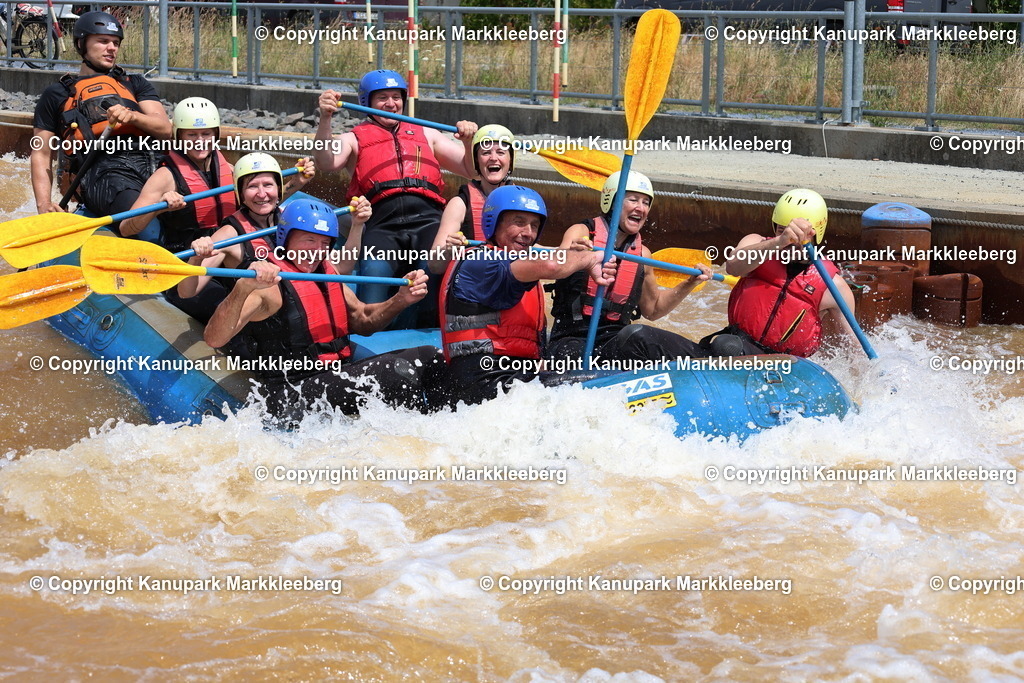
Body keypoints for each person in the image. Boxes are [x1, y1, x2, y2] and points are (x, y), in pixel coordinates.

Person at [203, 198, 442, 423]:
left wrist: (401, 299)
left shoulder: (326, 271)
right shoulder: (267, 287)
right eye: (309, 240)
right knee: (405, 369)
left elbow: (363, 319)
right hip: (292, 394)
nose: (317, 250)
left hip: (335, 375)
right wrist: (242, 288)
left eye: (325, 243)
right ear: (286, 238)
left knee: (431, 356)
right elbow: (214, 338)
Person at [314, 69, 478, 327]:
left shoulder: (428, 133)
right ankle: (368, 332)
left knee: (434, 267)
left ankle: (435, 332)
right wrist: (325, 118)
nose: (391, 104)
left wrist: (469, 142)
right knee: (375, 272)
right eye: (382, 98)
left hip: (428, 219)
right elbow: (326, 162)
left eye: (396, 97)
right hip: (382, 223)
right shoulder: (352, 138)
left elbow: (471, 169)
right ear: (367, 103)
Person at [437, 185, 616, 407]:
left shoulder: (519, 265)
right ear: (494, 222)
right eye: (519, 222)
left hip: (509, 378)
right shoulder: (480, 262)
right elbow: (551, 265)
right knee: (591, 390)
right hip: (482, 378)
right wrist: (588, 259)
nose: (528, 233)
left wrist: (576, 254)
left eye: (534, 225)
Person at [547, 171, 712, 365]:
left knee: (639, 335)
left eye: (645, 202)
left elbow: (654, 309)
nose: (640, 208)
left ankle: (709, 358)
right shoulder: (581, 233)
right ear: (611, 201)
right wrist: (573, 256)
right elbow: (553, 267)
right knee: (571, 353)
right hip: (570, 339)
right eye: (633, 200)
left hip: (614, 342)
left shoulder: (642, 255)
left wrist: (689, 283)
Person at [31, 11, 171, 227]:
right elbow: (41, 152)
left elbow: (165, 129)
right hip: (100, 174)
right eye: (103, 41)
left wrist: (133, 117)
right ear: (82, 44)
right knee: (145, 222)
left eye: (116, 43)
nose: (112, 48)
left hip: (150, 164)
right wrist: (44, 204)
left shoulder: (134, 83)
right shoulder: (57, 93)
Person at [701, 188, 856, 358]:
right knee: (723, 345)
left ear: (815, 235)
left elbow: (853, 348)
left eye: (799, 236)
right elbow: (733, 267)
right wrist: (779, 242)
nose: (790, 241)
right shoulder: (755, 244)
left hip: (787, 365)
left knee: (725, 346)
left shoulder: (834, 287)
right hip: (739, 346)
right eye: (782, 231)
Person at [169, 152, 316, 323]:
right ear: (241, 193)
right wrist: (195, 259)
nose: (262, 194)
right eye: (252, 187)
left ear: (278, 188)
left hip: (295, 308)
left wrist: (356, 225)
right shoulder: (229, 235)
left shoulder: (288, 218)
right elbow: (186, 293)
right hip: (258, 322)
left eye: (268, 185)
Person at [427, 124, 516, 274]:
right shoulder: (459, 204)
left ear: (511, 160)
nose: (493, 158)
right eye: (486, 153)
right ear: (476, 161)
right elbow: (435, 266)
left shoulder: (524, 200)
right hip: (473, 285)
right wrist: (449, 250)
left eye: (501, 152)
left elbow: (533, 248)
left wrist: (562, 252)